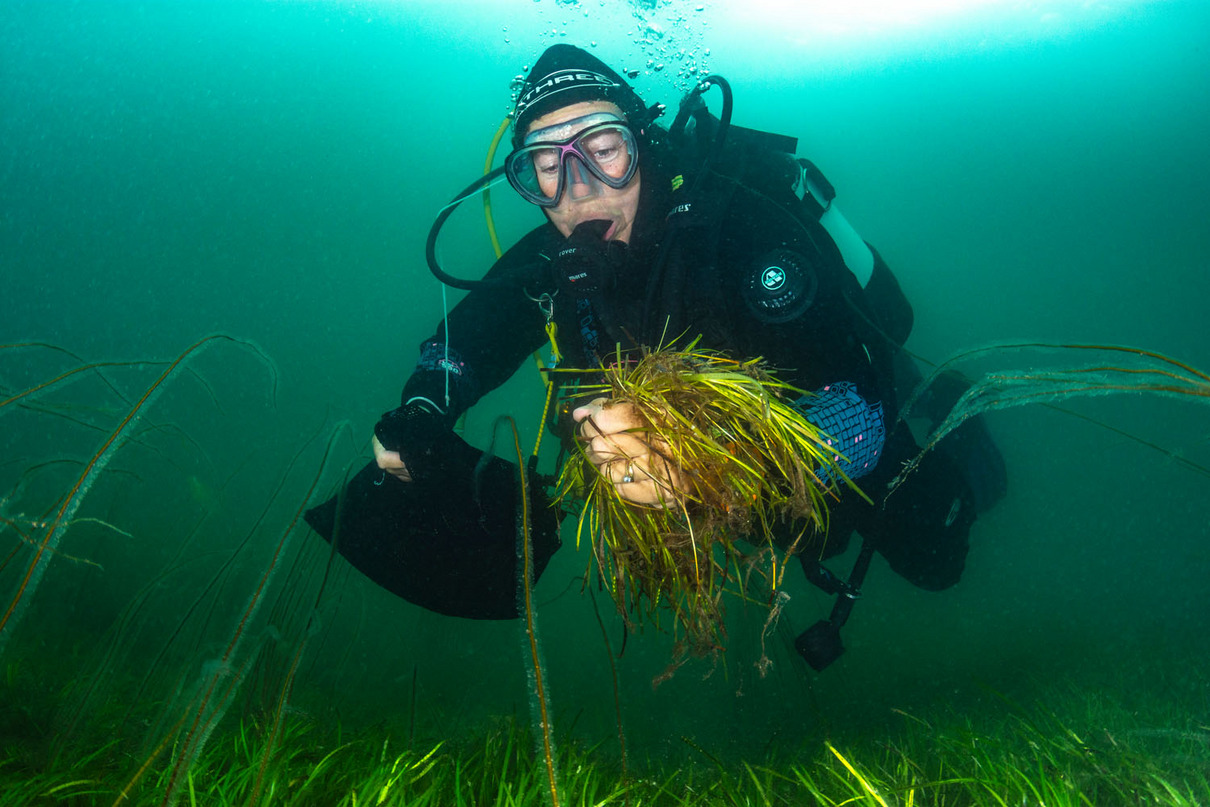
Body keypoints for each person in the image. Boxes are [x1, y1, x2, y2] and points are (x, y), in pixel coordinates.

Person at [308, 44, 1006, 662]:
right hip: (734, 502)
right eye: (545, 164)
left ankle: (960, 418)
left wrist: (712, 457)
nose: (576, 188)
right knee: (788, 537)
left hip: (850, 445)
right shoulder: (556, 256)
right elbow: (476, 334)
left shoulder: (743, 230)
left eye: (602, 149)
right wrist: (426, 407)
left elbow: (863, 409)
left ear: (643, 144)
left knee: (931, 557)